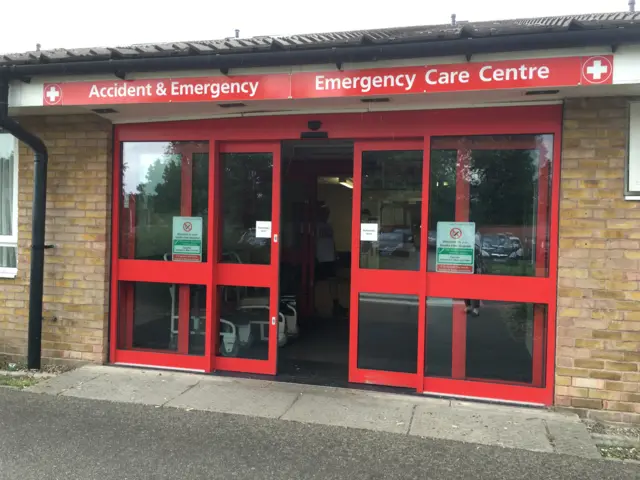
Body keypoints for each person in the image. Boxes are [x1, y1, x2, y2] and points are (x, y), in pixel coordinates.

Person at [315, 202, 348, 317]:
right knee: (317, 283)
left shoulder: (328, 226)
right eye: (324, 213)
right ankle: (314, 305)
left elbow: (331, 242)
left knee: (333, 281)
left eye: (327, 213)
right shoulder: (314, 226)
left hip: (330, 257)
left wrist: (335, 254)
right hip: (319, 258)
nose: (326, 215)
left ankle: (335, 304)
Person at [464, 232, 485, 317]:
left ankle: (476, 308)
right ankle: (468, 306)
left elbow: (478, 252)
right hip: (465, 266)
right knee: (465, 287)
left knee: (475, 288)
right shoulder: (464, 236)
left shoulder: (476, 236)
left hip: (474, 266)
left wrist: (479, 267)